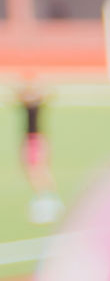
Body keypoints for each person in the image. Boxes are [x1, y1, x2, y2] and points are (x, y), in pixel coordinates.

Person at [17, 74, 58, 225]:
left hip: (35, 140)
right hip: (32, 139)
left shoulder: (35, 103)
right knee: (36, 170)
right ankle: (47, 197)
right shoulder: (29, 102)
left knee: (37, 171)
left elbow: (45, 93)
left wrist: (39, 84)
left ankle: (47, 198)